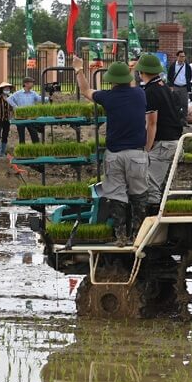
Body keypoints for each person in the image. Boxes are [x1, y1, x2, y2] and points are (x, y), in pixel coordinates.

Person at [72, 57, 148, 247]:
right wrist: (129, 69)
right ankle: (138, 235)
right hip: (137, 155)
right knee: (139, 195)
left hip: (114, 154)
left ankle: (120, 237)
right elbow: (130, 83)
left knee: (116, 195)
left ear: (111, 80)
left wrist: (79, 69)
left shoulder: (108, 97)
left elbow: (86, 91)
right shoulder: (140, 94)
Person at [137, 54, 183, 215]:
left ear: (142, 71)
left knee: (151, 186)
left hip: (163, 143)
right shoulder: (163, 86)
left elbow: (151, 123)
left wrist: (147, 148)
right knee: (165, 186)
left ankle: (152, 227)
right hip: (175, 141)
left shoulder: (150, 91)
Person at [8, 77, 43, 144]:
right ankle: (22, 152)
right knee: (21, 137)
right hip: (20, 118)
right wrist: (15, 107)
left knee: (34, 135)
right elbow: (9, 99)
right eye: (31, 82)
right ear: (26, 84)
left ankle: (36, 151)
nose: (33, 84)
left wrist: (48, 98)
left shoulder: (33, 93)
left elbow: (39, 99)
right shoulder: (18, 93)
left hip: (31, 117)